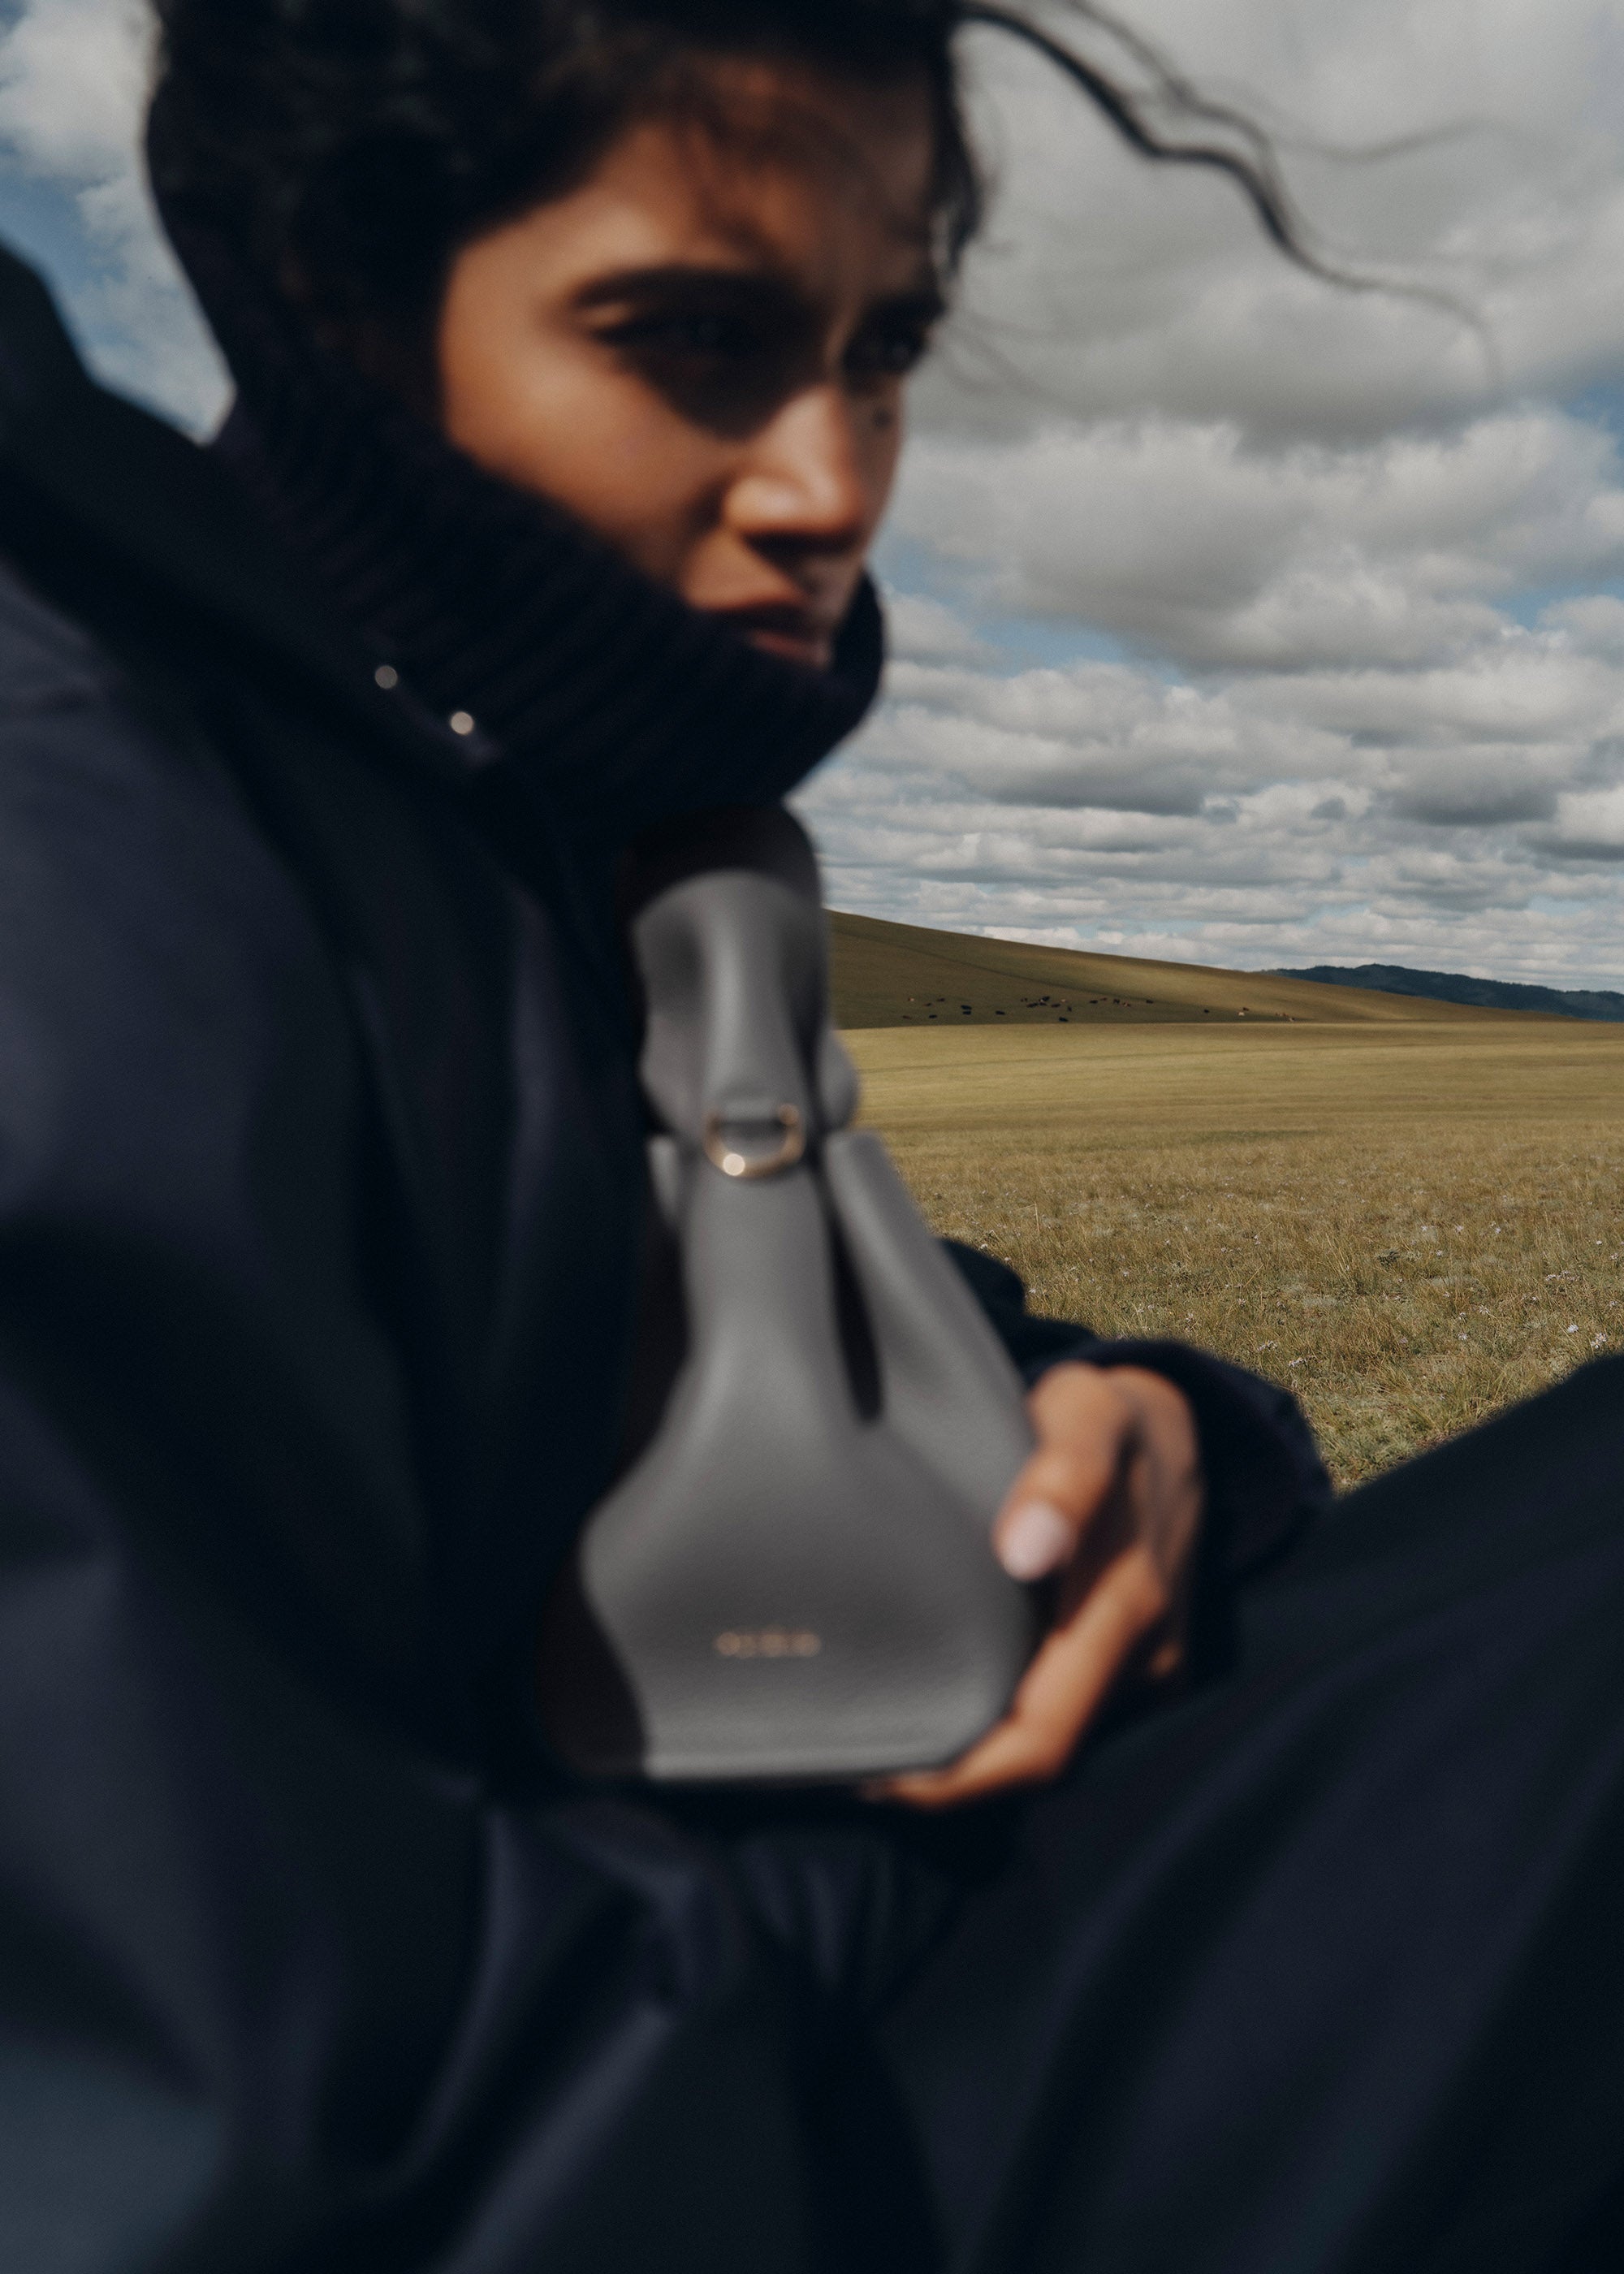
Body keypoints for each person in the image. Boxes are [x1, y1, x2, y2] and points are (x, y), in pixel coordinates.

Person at [0, 2, 1619, 2267]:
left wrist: (1159, 1436)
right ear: (337, 294)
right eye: (694, 339)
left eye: (882, 355)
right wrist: (911, 1853)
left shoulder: (520, 849)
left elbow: (790, 1359)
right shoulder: (96, 861)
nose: (833, 486)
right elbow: (246, 2149)